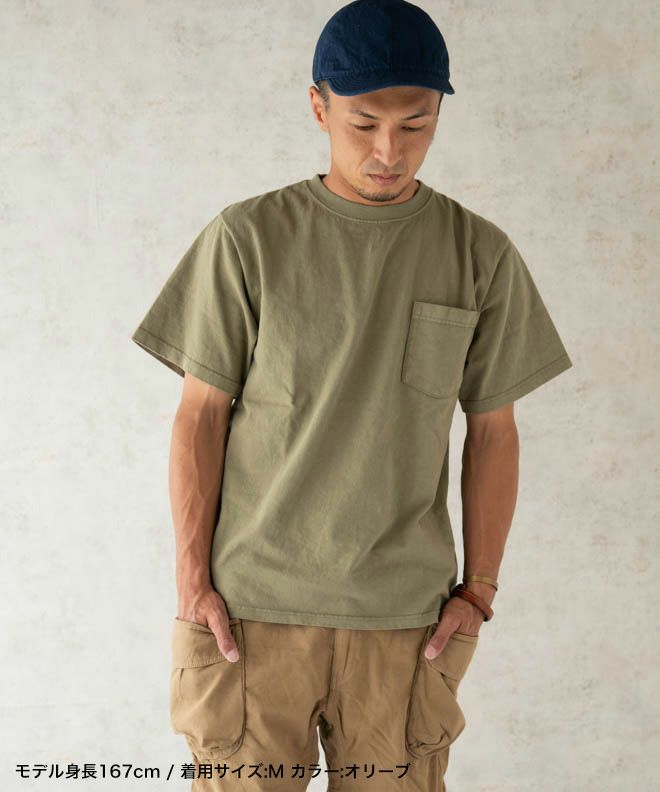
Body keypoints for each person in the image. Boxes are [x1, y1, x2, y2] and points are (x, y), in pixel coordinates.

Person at [131, 1, 573, 789]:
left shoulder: (478, 253)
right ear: (318, 105)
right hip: (250, 617)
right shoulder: (248, 239)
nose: (388, 151)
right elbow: (200, 416)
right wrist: (192, 582)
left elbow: (494, 432)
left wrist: (479, 590)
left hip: (405, 624)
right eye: (363, 123)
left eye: (416, 125)